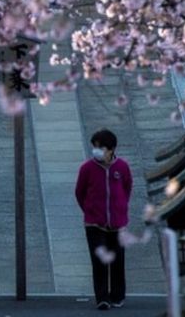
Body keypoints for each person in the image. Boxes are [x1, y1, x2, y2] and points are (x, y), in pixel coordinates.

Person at [75, 128, 133, 310]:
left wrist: (120, 209)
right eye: (95, 147)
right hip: (94, 223)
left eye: (100, 147)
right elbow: (80, 192)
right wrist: (90, 211)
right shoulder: (87, 168)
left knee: (117, 260)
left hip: (117, 224)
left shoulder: (122, 167)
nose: (96, 151)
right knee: (99, 261)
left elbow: (127, 188)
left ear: (111, 149)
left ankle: (117, 296)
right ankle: (102, 297)